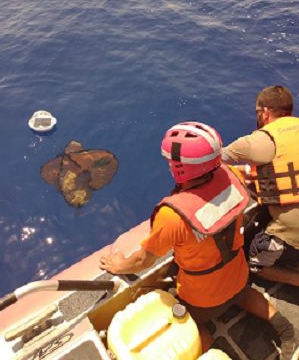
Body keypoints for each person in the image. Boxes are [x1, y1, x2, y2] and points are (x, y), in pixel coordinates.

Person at [99, 122, 295, 359]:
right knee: (241, 293)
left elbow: (143, 261)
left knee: (187, 320)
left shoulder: (172, 216)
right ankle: (284, 327)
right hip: (238, 275)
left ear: (180, 168)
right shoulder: (233, 177)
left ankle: (213, 350)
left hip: (202, 297)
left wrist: (119, 265)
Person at [222, 85, 299, 287]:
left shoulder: (257, 141)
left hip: (294, 234)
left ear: (265, 113)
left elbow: (211, 159)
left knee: (253, 263)